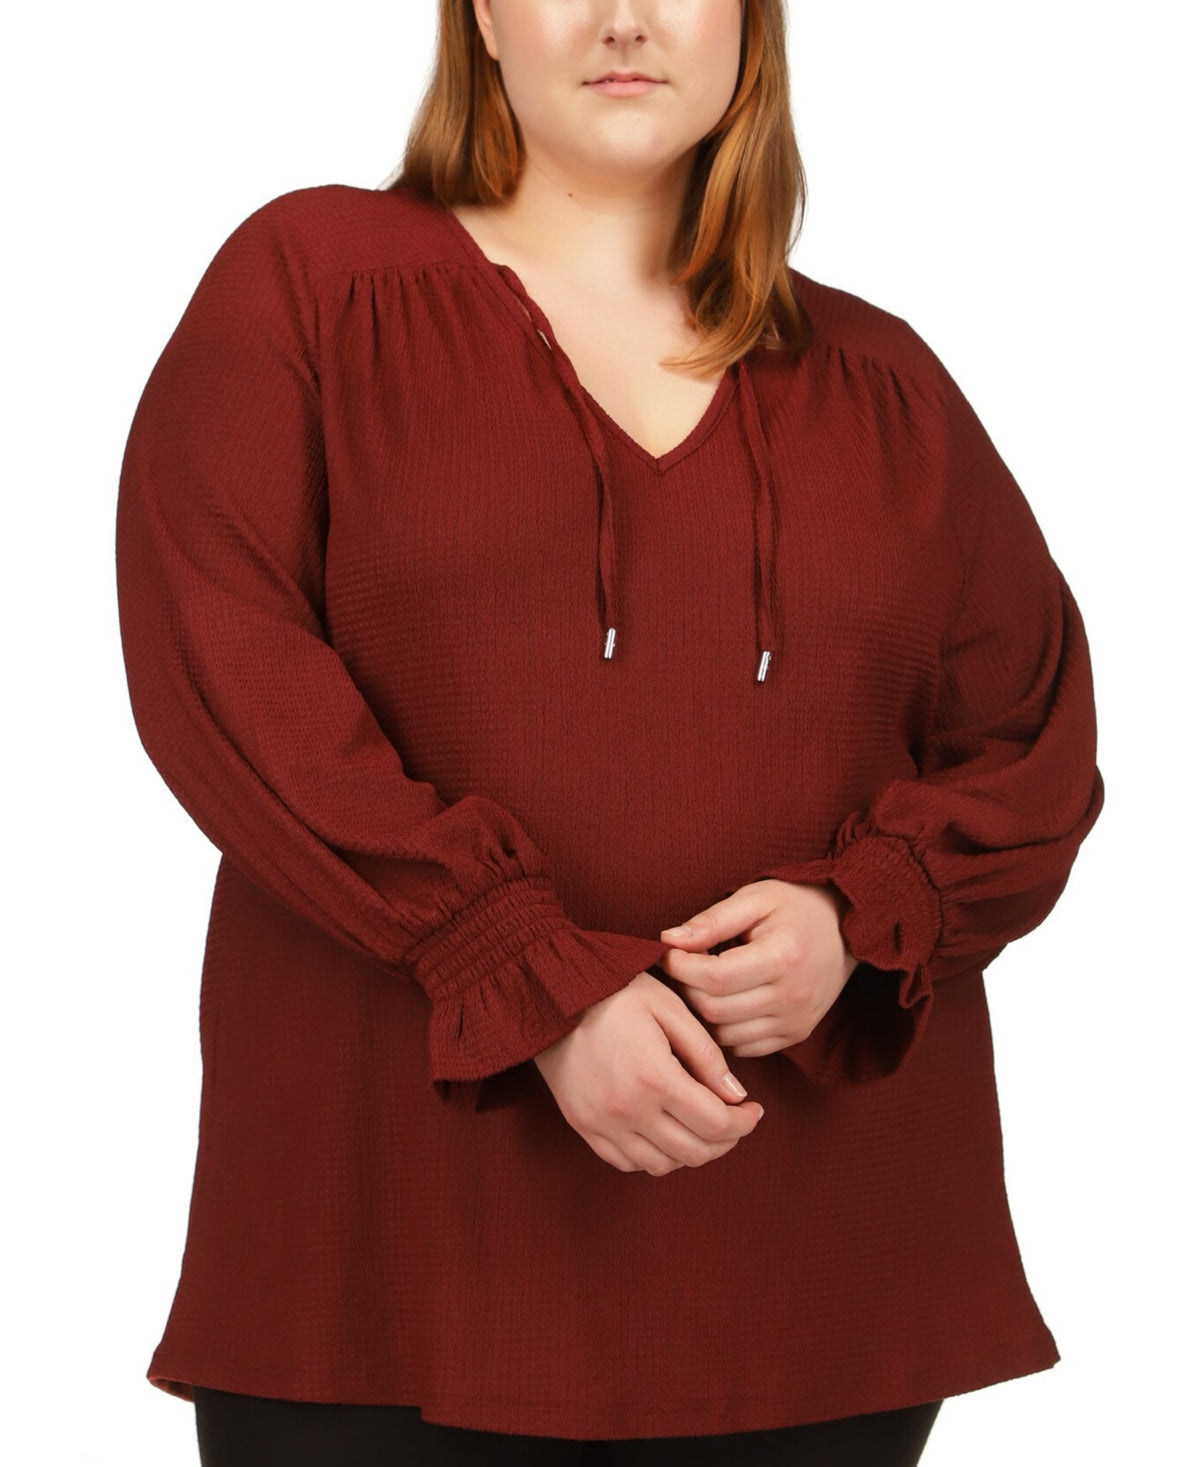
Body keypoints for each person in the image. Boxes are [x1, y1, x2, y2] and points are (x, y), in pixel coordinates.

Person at [114, 1, 1105, 1463]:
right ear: (480, 16)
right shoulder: (311, 285)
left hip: (812, 1268)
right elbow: (221, 662)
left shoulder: (886, 380)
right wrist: (522, 971)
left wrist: (860, 917)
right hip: (388, 1248)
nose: (628, 17)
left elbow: (1034, 736)